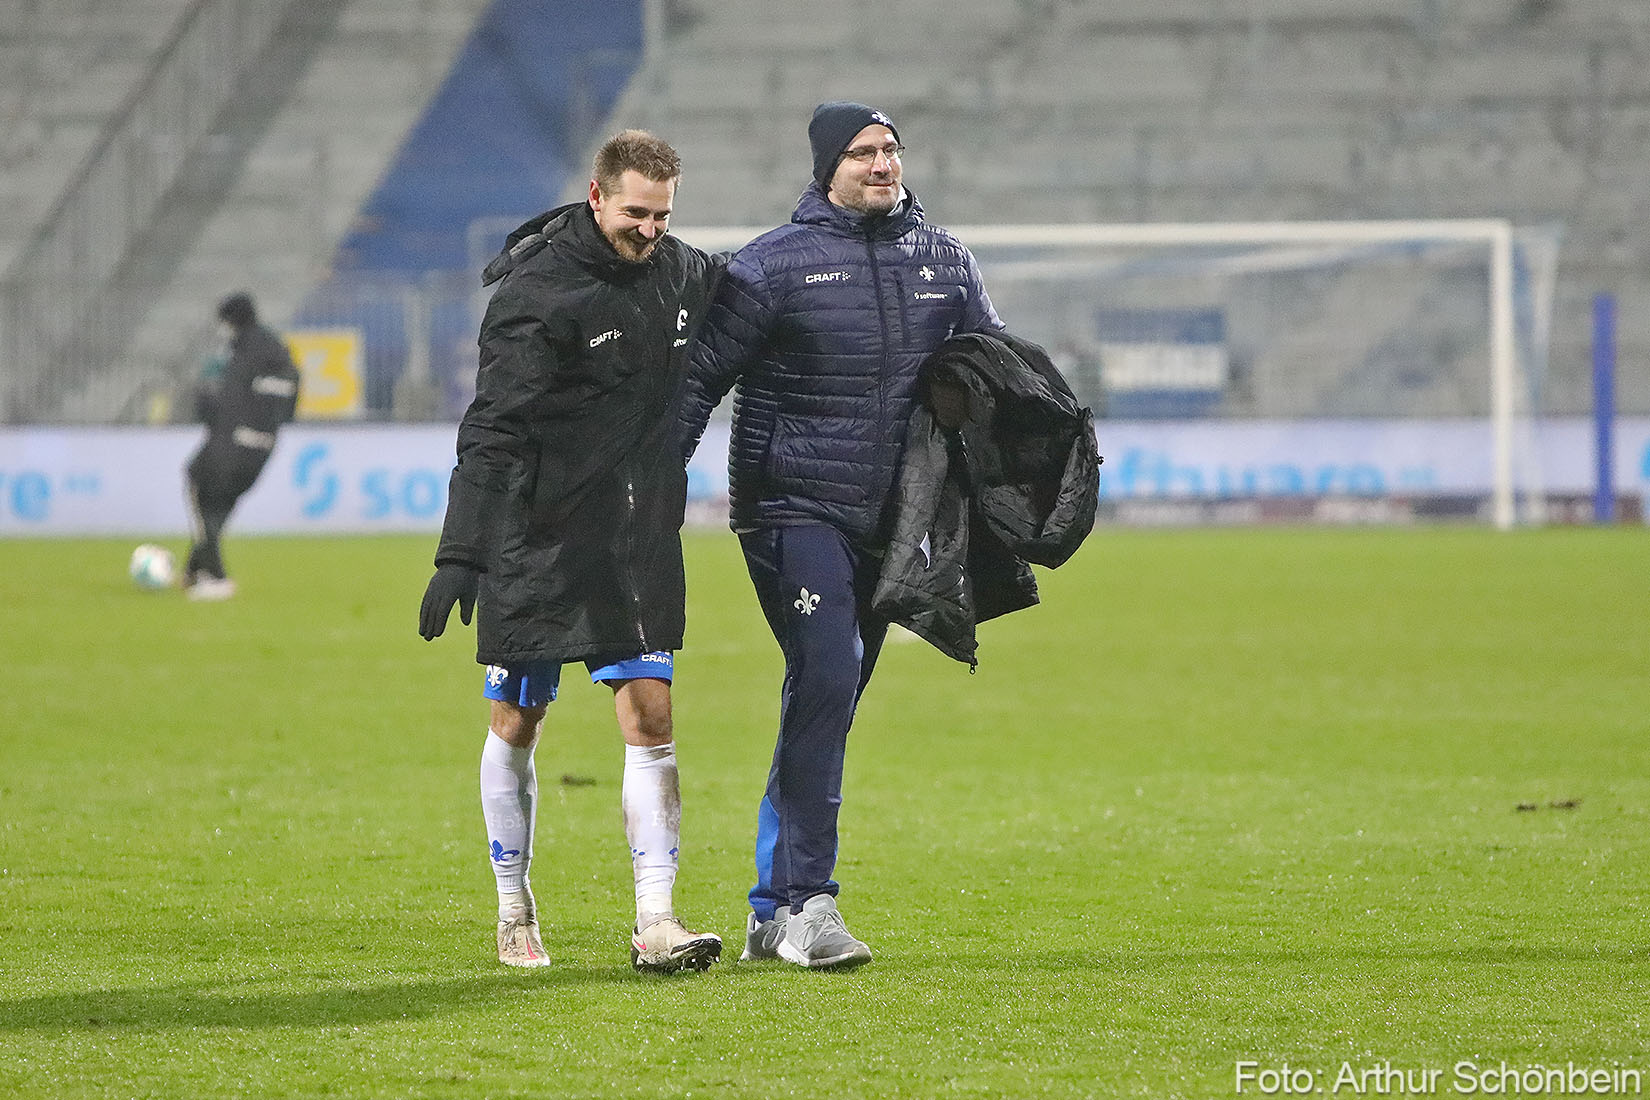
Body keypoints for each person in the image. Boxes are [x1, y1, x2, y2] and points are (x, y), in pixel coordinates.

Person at [679, 101, 1004, 968]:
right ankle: (809, 907)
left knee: (829, 699)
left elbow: (991, 369)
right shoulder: (772, 265)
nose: (881, 164)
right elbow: (695, 383)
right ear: (828, 166)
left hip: (896, 519)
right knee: (828, 671)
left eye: (891, 149)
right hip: (791, 507)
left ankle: (767, 911)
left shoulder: (946, 260)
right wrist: (648, 493)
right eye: (863, 152)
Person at [419, 130, 724, 973]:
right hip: (538, 536)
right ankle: (514, 908)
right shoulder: (536, 294)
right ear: (597, 198)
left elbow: (743, 293)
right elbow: (494, 428)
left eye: (664, 214)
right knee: (518, 720)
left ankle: (656, 922)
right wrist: (462, 551)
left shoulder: (683, 272)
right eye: (636, 212)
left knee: (652, 715)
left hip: (632, 538)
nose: (652, 230)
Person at [183, 292, 300, 600]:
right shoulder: (280, 352)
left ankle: (217, 578)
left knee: (197, 483)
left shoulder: (244, 352)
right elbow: (289, 408)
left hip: (232, 441)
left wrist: (204, 405)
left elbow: (227, 402)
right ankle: (195, 569)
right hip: (263, 447)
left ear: (231, 321)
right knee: (221, 503)